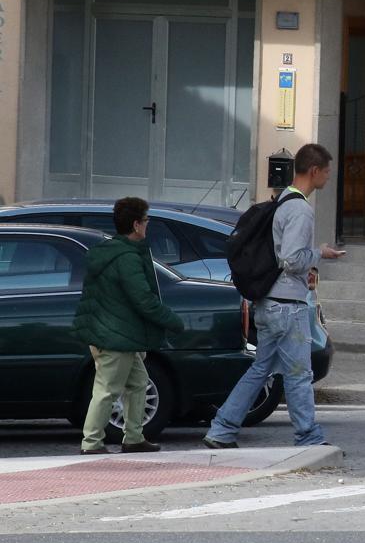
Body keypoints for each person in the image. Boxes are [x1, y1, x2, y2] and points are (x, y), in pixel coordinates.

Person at [203, 143, 345, 448]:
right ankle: (308, 435)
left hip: (268, 302)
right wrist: (319, 254)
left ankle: (222, 428)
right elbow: (292, 258)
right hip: (287, 306)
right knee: (298, 374)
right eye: (327, 172)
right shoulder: (300, 209)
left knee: (260, 369)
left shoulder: (282, 201)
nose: (329, 178)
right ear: (315, 170)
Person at [73, 197, 185, 455]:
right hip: (116, 336)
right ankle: (91, 443)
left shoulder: (114, 251)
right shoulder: (127, 258)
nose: (148, 225)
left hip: (115, 333)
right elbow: (143, 299)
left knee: (138, 383)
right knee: (106, 390)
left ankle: (133, 437)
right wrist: (172, 320)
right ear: (136, 225)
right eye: (146, 220)